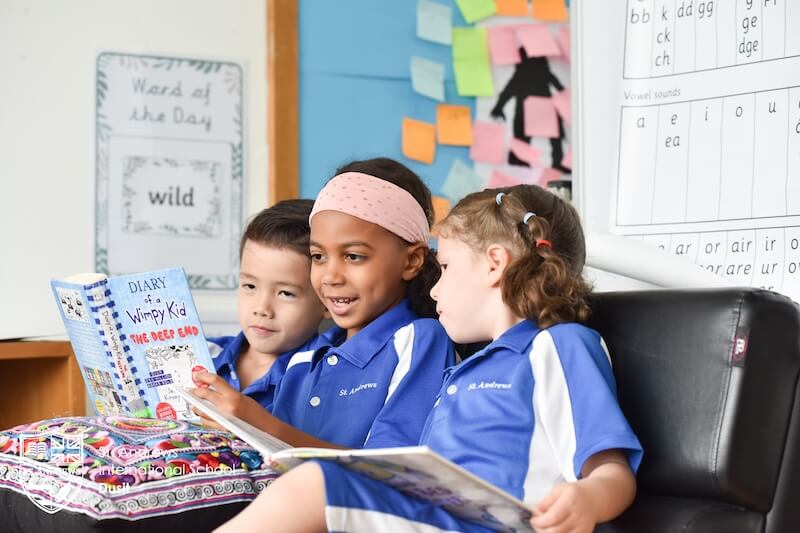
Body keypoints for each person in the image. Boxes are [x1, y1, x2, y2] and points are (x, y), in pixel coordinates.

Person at [215, 184, 642, 533]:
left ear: (494, 265)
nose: (434, 290)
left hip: (491, 525)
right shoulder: (468, 365)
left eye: (447, 269)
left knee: (315, 485)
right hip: (435, 513)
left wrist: (587, 498)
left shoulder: (559, 345)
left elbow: (611, 470)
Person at [195, 158, 455, 450]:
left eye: (353, 256)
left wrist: (259, 423)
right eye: (318, 256)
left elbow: (393, 471)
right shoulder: (302, 362)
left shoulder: (419, 340)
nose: (330, 276)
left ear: (411, 261)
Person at [204, 199, 329, 413]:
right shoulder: (203, 354)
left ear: (327, 302)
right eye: (250, 286)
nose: (262, 308)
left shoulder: (326, 377)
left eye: (286, 293)